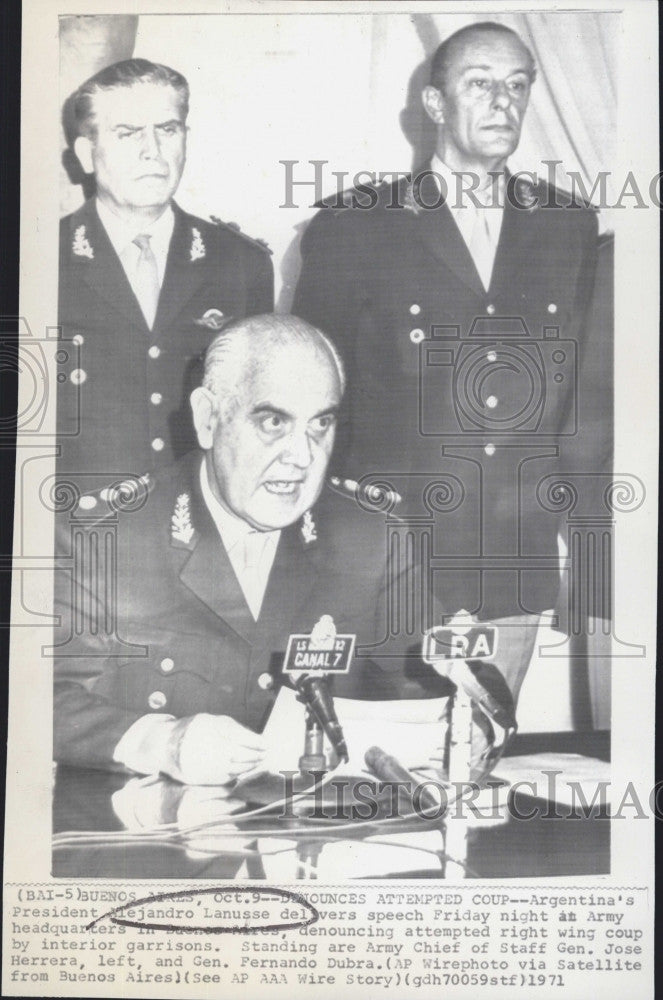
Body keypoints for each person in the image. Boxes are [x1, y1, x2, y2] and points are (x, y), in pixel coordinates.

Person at [55, 314, 488, 785]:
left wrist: (471, 716)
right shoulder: (104, 537)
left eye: (320, 424)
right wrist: (160, 741)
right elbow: (38, 699)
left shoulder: (372, 536)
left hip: (317, 839)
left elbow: (427, 691)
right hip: (145, 842)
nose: (302, 457)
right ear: (208, 418)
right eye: (273, 422)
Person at [293, 22, 601, 639]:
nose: (503, 102)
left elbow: (585, 408)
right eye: (480, 83)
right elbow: (313, 398)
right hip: (393, 550)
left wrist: (592, 566)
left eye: (518, 86)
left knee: (496, 728)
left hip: (517, 552)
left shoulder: (568, 225)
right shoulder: (355, 226)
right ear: (435, 104)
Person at [58, 58, 273, 478]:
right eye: (128, 133)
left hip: (195, 521)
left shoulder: (240, 263)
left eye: (167, 130)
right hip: (74, 527)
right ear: (87, 154)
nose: (152, 151)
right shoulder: (41, 259)